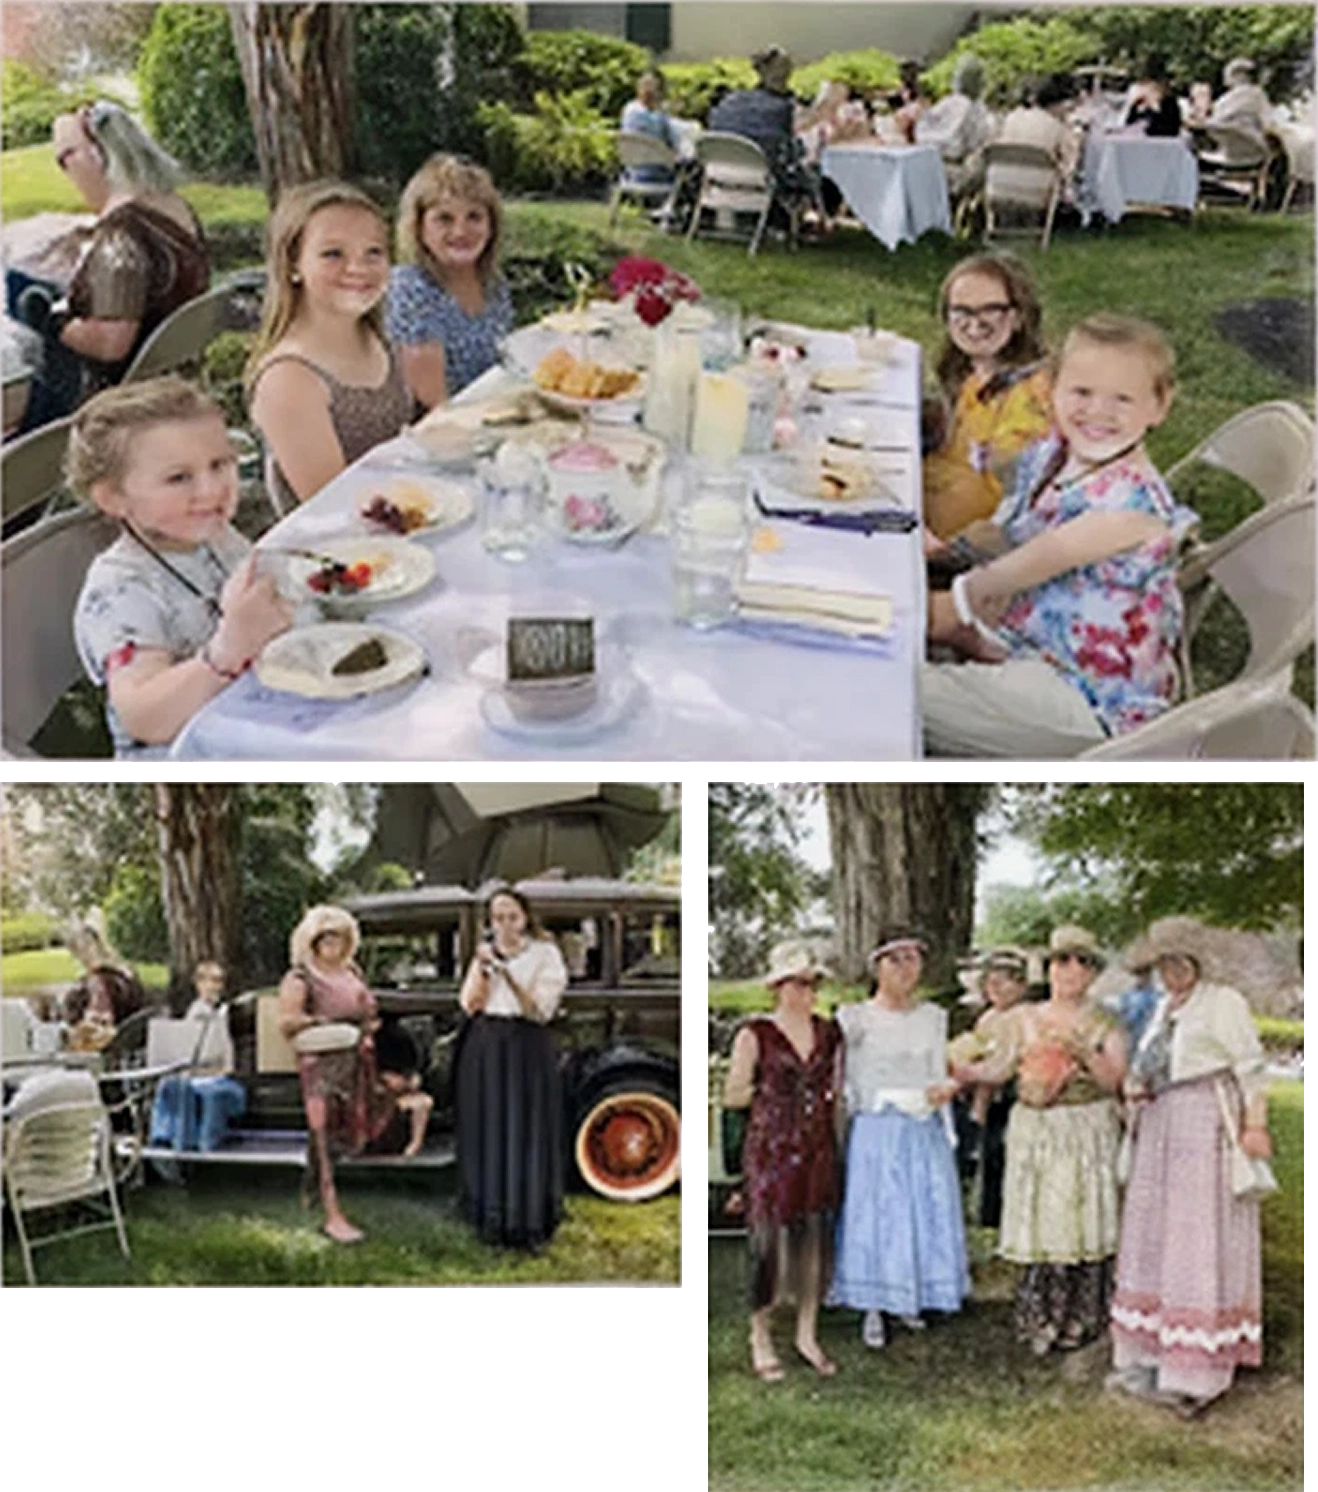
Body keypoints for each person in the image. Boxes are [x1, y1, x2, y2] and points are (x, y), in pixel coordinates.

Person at [923, 313, 1199, 757]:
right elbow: (1016, 525)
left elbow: (1023, 566)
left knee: (904, 695)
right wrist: (945, 549)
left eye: (1122, 399)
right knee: (906, 620)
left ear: (1159, 406)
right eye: (1082, 392)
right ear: (1052, 388)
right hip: (1040, 639)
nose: (1098, 412)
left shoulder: (1131, 507)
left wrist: (947, 608)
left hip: (1090, 700)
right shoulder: (1059, 453)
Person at [69, 376, 293, 756]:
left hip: (251, 714)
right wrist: (228, 649)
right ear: (114, 498)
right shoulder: (122, 590)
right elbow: (143, 715)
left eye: (219, 464)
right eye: (178, 478)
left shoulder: (213, 535)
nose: (211, 489)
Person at [1108, 918, 1272, 1417]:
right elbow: (1155, 1063)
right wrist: (1137, 1089)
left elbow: (1250, 1067)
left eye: (1181, 962)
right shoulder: (1163, 1007)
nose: (1172, 971)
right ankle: (1151, 1352)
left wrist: (1255, 1124)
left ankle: (1197, 1371)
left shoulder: (1223, 1003)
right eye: (1165, 963)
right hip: (1161, 1123)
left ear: (1199, 963)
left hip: (1204, 1123)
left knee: (1195, 1232)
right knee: (1155, 1233)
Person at [953, 926, 1127, 1354]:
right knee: (1043, 1217)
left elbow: (1114, 1081)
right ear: (1048, 969)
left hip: (1086, 1127)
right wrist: (963, 1071)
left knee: (1081, 1215)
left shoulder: (1105, 1022)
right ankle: (1040, 1316)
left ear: (1093, 973)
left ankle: (1082, 1316)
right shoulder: (1023, 1018)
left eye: (1081, 962)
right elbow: (999, 1067)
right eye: (1061, 961)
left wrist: (1084, 1053)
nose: (1070, 970)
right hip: (1036, 1129)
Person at [10, 100, 209, 433]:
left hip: (112, 405)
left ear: (100, 155)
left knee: (20, 290)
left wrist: (50, 321)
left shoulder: (121, 236)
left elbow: (110, 343)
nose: (65, 171)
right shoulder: (174, 208)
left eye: (65, 158)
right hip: (164, 372)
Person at [829, 929, 969, 1349]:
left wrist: (946, 1088)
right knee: (879, 1213)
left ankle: (913, 1294)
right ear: (877, 967)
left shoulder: (933, 1017)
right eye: (895, 959)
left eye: (912, 959)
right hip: (878, 1127)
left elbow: (938, 1069)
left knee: (921, 1208)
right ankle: (874, 1303)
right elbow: (840, 1078)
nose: (906, 968)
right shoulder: (854, 1018)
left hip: (922, 1125)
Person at [248, 180, 413, 507]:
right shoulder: (289, 378)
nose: (357, 268)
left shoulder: (375, 336)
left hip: (406, 511)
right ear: (293, 265)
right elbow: (334, 508)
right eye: (333, 254)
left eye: (373, 252)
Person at [722, 941, 842, 1381]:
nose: (805, 991)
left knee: (815, 1242)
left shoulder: (830, 1032)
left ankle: (807, 1334)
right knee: (769, 1246)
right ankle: (761, 1335)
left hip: (817, 1148)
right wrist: (770, 1098)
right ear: (777, 987)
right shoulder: (755, 1033)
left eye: (811, 983)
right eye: (797, 983)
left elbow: (838, 1089)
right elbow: (733, 1096)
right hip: (770, 1150)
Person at [454, 886, 568, 1248]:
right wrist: (483, 970)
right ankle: (489, 1214)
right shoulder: (484, 953)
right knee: (490, 1125)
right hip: (487, 1042)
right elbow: (470, 1005)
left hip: (526, 1044)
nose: (504, 924)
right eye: (497, 917)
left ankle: (527, 1218)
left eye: (511, 916)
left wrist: (508, 974)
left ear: (525, 917)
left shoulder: (545, 953)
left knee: (525, 1126)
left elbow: (539, 1010)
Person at [279, 905, 393, 1244]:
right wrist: (326, 1022)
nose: (333, 944)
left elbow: (366, 1008)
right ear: (312, 941)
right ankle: (332, 1214)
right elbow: (287, 1023)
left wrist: (368, 1022)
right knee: (322, 1134)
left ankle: (311, 1197)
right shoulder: (300, 977)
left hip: (356, 1061)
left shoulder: (352, 971)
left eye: (339, 938)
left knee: (342, 1134)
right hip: (320, 1065)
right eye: (326, 938)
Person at [921, 253, 1053, 543]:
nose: (974, 323)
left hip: (959, 546)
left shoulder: (1031, 393)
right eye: (961, 311)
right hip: (923, 512)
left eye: (990, 310)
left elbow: (1011, 497)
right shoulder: (970, 375)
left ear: (1018, 317)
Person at [385, 154, 513, 412]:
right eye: (444, 219)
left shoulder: (493, 285)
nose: (460, 231)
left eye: (474, 217)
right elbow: (436, 405)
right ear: (419, 228)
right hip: (439, 427)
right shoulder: (409, 290)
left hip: (490, 414)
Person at [707, 46, 838, 228]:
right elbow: (791, 151)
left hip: (721, 176)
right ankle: (811, 219)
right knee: (816, 171)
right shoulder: (782, 109)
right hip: (766, 179)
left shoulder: (730, 102)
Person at [952, 946, 1031, 1231]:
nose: (995, 986)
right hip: (982, 1095)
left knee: (1001, 1154)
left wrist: (973, 1071)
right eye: (990, 980)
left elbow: (1005, 1063)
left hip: (1011, 1095)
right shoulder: (988, 1017)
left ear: (1021, 985)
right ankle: (985, 1216)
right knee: (986, 1154)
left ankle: (1001, 1219)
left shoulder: (1023, 1017)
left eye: (1005, 979)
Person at [149, 958, 247, 1152]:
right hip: (199, 1075)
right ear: (199, 983)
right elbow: (193, 1053)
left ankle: (208, 1140)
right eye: (211, 980)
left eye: (219, 981)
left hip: (216, 1075)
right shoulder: (198, 1014)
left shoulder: (220, 1012)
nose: (216, 987)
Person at [915, 55, 993, 199]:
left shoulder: (947, 102)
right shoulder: (976, 108)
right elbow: (977, 142)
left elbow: (922, 128)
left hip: (929, 165)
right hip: (955, 170)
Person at [620, 70, 682, 182]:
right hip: (659, 176)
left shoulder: (628, 110)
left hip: (633, 175)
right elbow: (673, 144)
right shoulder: (659, 118)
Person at [1123, 57, 1184, 138]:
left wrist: (1155, 108)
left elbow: (1172, 130)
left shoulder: (1170, 104)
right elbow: (1128, 126)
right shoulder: (1139, 105)